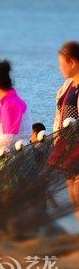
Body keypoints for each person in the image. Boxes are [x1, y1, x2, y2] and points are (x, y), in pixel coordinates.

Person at [54, 41, 79, 210]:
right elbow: (59, 114)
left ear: (73, 62)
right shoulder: (67, 85)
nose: (60, 68)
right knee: (73, 194)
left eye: (61, 64)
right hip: (67, 149)